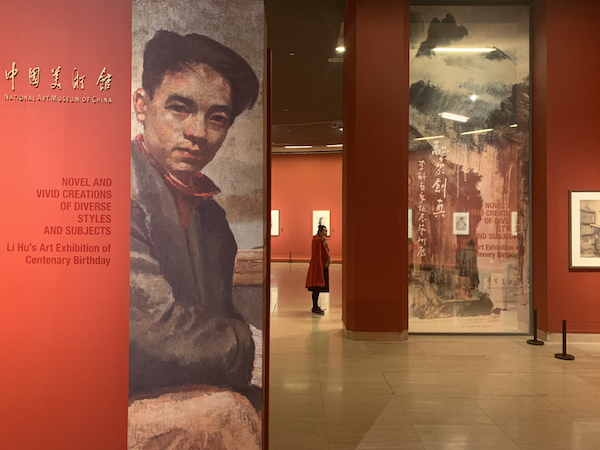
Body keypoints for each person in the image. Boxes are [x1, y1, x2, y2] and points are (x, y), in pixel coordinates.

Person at [128, 30, 261, 448]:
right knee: (225, 418)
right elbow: (148, 332)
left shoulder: (211, 217)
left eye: (217, 118)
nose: (197, 131)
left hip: (177, 383)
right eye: (179, 108)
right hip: (101, 388)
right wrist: (248, 349)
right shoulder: (115, 188)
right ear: (141, 105)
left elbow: (216, 317)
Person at [306, 225, 331, 314]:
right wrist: (322, 240)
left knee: (318, 287)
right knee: (316, 287)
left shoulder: (320, 240)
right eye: (324, 231)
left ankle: (315, 306)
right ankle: (315, 306)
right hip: (317, 267)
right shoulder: (316, 239)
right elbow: (318, 241)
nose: (326, 233)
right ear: (320, 232)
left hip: (320, 266)